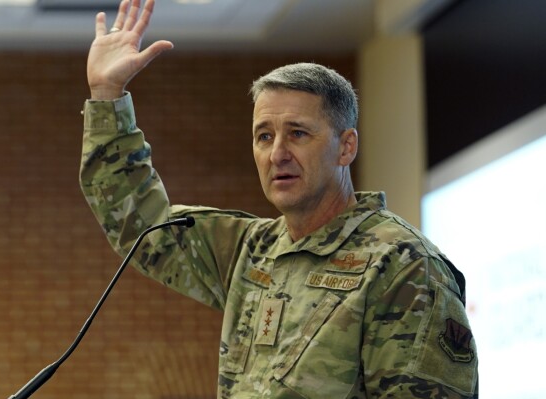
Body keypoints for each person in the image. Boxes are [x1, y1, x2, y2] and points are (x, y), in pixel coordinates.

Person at [80, 0, 479, 397]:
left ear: (346, 147)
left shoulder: (402, 267)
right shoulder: (251, 250)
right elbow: (142, 223)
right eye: (264, 136)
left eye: (298, 133)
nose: (277, 154)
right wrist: (107, 94)